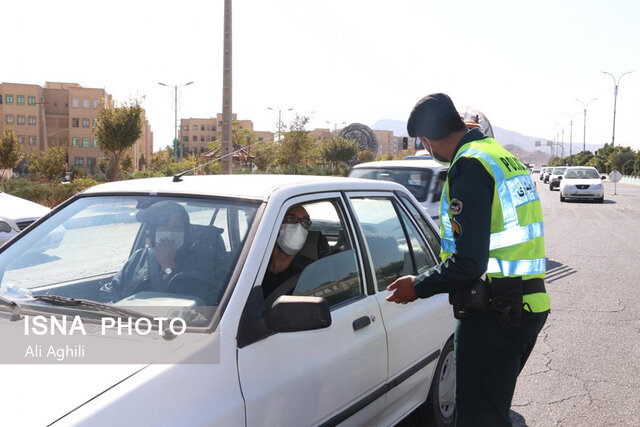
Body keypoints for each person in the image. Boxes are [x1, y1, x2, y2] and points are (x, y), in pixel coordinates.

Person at [386, 93, 550, 426]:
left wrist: (416, 286)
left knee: (478, 420)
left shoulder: (469, 164)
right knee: (490, 414)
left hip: (493, 315)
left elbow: (468, 264)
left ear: (428, 139)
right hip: (525, 305)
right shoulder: (501, 156)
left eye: (424, 143)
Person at [109, 201, 219, 302]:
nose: (169, 232)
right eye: (163, 225)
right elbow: (113, 292)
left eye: (177, 227)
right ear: (153, 230)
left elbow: (191, 307)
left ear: (186, 232)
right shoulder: (138, 258)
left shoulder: (200, 263)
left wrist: (167, 267)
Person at [261, 205, 330, 306]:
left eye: (304, 222)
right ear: (277, 224)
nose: (298, 226)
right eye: (291, 219)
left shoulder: (310, 272)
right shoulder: (255, 264)